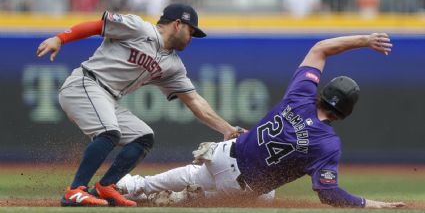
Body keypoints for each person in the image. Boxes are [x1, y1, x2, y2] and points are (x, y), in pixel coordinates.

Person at [116, 33, 406, 209]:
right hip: (240, 188)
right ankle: (173, 197)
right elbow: (329, 194)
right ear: (346, 112)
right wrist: (371, 204)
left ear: (324, 92)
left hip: (222, 156)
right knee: (243, 194)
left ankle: (125, 187)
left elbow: (320, 48)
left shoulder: (301, 95)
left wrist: (365, 40)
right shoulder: (328, 144)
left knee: (177, 180)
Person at [36, 3, 243, 207]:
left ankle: (105, 187)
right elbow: (97, 26)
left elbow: (195, 101)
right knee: (109, 132)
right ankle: (75, 190)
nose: (192, 37)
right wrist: (60, 39)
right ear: (178, 24)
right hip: (85, 83)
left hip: (108, 99)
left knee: (143, 137)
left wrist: (228, 129)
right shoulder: (139, 28)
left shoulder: (173, 66)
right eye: (191, 31)